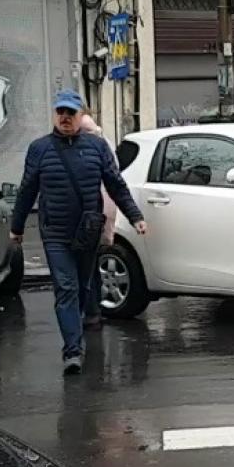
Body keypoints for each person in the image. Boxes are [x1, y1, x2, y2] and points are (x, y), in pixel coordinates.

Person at [10, 90, 147, 375]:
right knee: (66, 288)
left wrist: (135, 216)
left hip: (87, 232)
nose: (65, 118)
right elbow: (27, 190)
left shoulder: (96, 147)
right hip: (55, 233)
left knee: (83, 285)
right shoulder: (40, 149)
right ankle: (72, 350)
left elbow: (116, 184)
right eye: (60, 112)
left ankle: (82, 323)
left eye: (70, 113)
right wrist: (17, 227)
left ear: (79, 116)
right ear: (54, 115)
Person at [76, 112, 118, 332]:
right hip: (100, 215)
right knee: (92, 264)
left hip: (91, 215)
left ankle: (90, 311)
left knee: (87, 266)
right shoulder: (104, 144)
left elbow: (108, 187)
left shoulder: (89, 147)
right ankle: (93, 311)